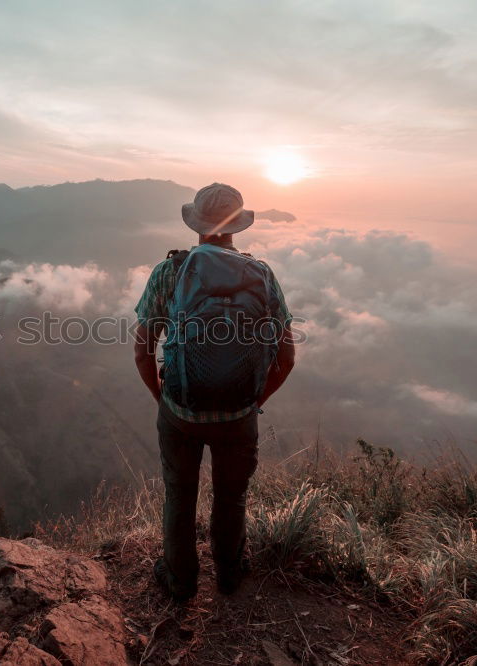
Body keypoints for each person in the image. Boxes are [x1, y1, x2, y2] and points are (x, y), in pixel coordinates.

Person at [133, 182, 296, 602]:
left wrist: (164, 399)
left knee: (179, 495)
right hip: (239, 415)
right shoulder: (261, 275)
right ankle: (229, 574)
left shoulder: (170, 272)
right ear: (235, 228)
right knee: (231, 496)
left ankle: (180, 580)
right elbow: (287, 357)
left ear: (197, 226)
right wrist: (253, 402)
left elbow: (141, 350)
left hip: (179, 411)